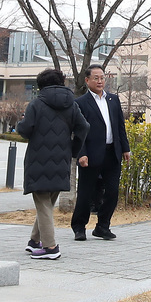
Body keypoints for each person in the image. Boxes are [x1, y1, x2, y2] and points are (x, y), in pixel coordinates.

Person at [17, 68, 90, 260]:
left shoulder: (36, 104)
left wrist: (20, 124)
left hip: (38, 159)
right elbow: (84, 127)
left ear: (41, 86)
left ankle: (50, 248)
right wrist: (74, 149)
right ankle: (34, 241)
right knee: (47, 203)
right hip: (62, 159)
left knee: (43, 203)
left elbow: (25, 130)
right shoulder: (72, 105)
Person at [71, 65, 130, 241]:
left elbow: (120, 126)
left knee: (112, 192)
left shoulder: (113, 99)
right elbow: (77, 132)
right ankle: (79, 227)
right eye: (96, 78)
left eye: (102, 78)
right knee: (86, 192)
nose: (100, 81)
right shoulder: (80, 103)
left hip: (112, 153)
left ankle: (103, 226)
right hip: (90, 154)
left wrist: (125, 148)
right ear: (87, 80)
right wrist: (81, 153)